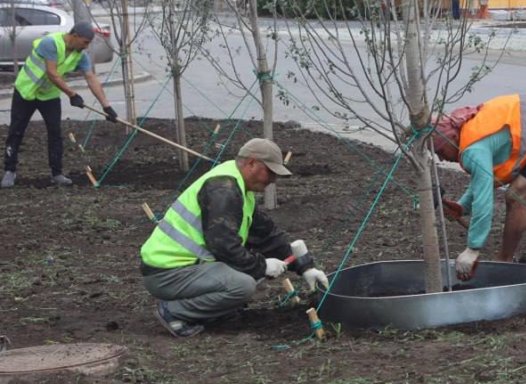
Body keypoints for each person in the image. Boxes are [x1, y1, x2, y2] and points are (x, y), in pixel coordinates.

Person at [139, 138, 329, 338]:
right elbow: (223, 245)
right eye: (270, 172)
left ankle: (211, 312)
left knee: (254, 279)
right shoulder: (223, 189)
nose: (272, 180)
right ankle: (174, 312)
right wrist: (262, 266)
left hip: (186, 268)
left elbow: (267, 236)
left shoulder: (238, 186)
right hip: (167, 274)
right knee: (243, 285)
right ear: (251, 163)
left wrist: (306, 266)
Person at [430, 93, 526, 281]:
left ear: (450, 138)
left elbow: (484, 200)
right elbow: (485, 180)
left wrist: (473, 248)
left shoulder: (473, 150)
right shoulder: (471, 131)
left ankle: (504, 262)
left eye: (439, 150)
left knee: (516, 195)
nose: (441, 158)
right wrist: (462, 207)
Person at [2, 22, 117, 188]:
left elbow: (91, 78)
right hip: (26, 91)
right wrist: (72, 94)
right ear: (75, 35)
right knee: (16, 131)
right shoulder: (51, 43)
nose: (86, 46)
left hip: (48, 96)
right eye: (85, 42)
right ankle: (9, 171)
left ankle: (57, 174)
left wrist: (106, 107)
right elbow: (52, 73)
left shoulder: (80, 55)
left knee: (55, 133)